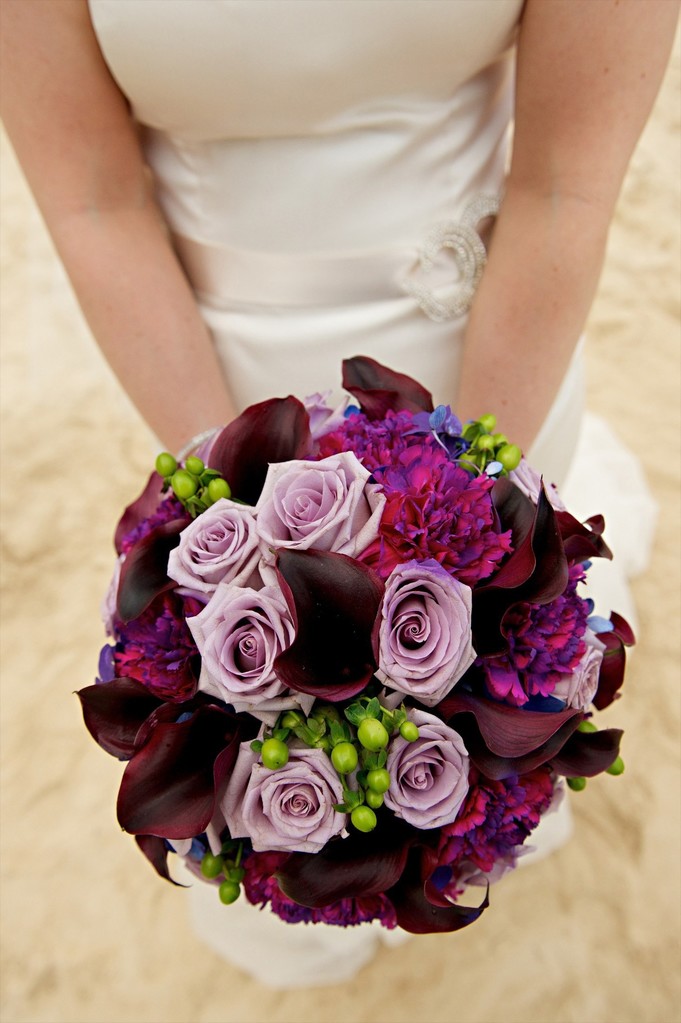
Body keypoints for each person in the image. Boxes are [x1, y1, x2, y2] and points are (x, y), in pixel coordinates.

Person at [1, 0, 676, 989]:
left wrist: (480, 519)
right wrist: (221, 510)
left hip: (493, 368)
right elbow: (94, 201)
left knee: (499, 687)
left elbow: (564, 187)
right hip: (209, 382)